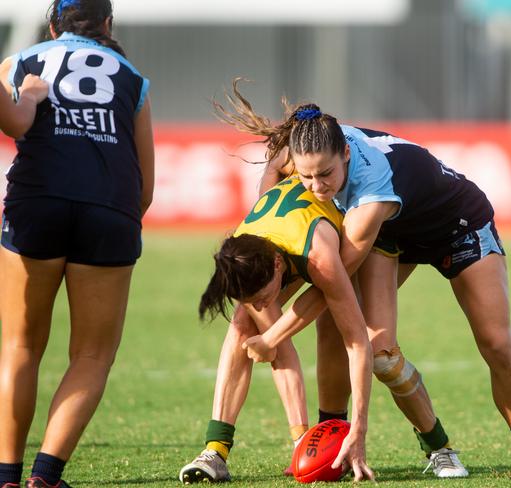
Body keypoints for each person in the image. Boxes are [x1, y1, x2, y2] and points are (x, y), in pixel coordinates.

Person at [222, 81, 511, 477]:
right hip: (392, 234)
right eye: (308, 177)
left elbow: (334, 279)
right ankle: (340, 443)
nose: (317, 189)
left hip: (457, 224)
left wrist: (272, 337)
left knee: (496, 341)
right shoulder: (307, 146)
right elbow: (274, 173)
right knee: (373, 347)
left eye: (327, 175)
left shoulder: (370, 197)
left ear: (345, 154)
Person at [0, 1, 154, 487]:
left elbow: (14, 121)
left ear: (51, 26)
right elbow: (146, 187)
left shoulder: (23, 60)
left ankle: (6, 475)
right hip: (110, 209)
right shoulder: (133, 77)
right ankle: (45, 477)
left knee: (20, 346)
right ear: (108, 26)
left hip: (36, 202)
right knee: (91, 356)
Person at [179, 175, 374, 483]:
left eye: (260, 297)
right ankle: (215, 451)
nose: (260, 306)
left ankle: (436, 444)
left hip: (353, 237)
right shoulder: (242, 251)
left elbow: (355, 340)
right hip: (291, 243)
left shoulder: (316, 254)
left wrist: (317, 440)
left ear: (278, 265)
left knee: (366, 339)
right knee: (242, 323)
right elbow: (276, 345)